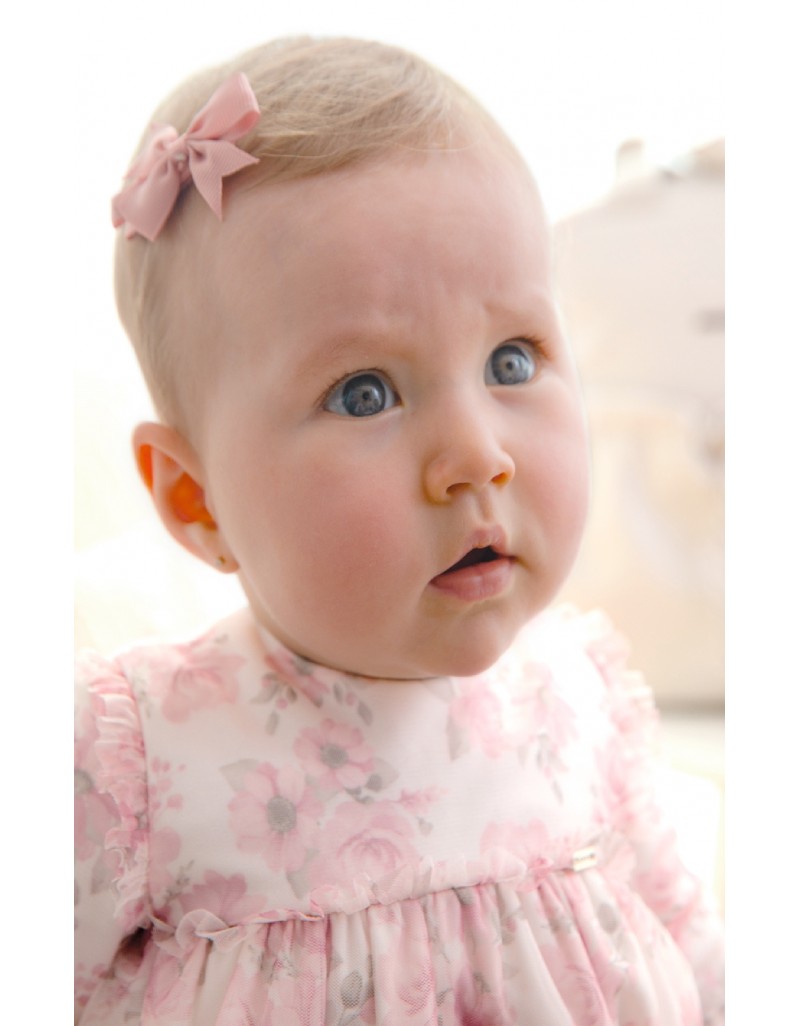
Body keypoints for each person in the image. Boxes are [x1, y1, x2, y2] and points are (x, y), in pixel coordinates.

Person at [74, 36, 724, 1025]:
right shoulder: (134, 764)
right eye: (364, 392)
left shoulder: (585, 705)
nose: (476, 455)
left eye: (512, 361)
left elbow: (694, 957)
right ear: (195, 498)